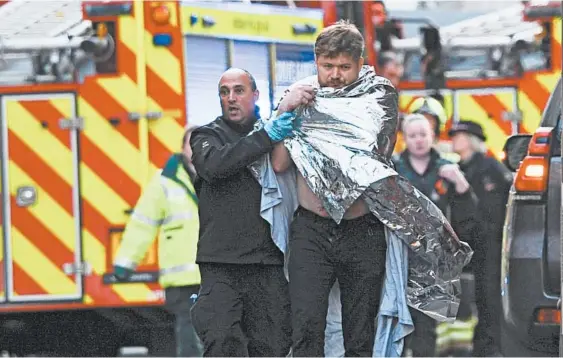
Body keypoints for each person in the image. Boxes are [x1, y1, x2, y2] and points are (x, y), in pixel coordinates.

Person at [272, 20, 390, 357]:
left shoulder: (376, 98)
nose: (335, 75)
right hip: (312, 229)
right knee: (306, 326)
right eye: (327, 66)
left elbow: (376, 158)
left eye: (344, 67)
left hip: (360, 229)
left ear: (359, 65)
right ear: (316, 62)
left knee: (360, 331)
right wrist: (287, 107)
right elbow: (279, 163)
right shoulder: (299, 98)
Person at [189, 68, 296, 357]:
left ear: (255, 95)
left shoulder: (276, 133)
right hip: (221, 264)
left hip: (266, 262)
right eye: (225, 92)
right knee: (222, 342)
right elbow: (215, 166)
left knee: (272, 346)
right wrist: (266, 137)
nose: (231, 98)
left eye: (239, 90)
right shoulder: (206, 136)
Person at [393, 114, 481, 357]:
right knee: (399, 323)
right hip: (402, 257)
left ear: (433, 137)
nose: (419, 140)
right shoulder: (394, 169)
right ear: (404, 139)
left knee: (428, 326)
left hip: (436, 261)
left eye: (423, 134)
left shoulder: (447, 169)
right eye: (413, 135)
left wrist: (461, 184)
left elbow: (469, 216)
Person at [113, 127, 202, 357]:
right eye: (191, 144)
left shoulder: (219, 174)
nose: (195, 150)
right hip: (182, 276)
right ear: (182, 149)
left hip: (214, 270)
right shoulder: (165, 181)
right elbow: (143, 222)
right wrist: (126, 262)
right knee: (189, 332)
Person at [449, 120, 512, 357]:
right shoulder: (458, 169)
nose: (454, 139)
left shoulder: (490, 168)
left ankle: (490, 347)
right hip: (466, 246)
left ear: (471, 140)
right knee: (470, 299)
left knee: (489, 297)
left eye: (459, 135)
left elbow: (496, 210)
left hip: (489, 244)